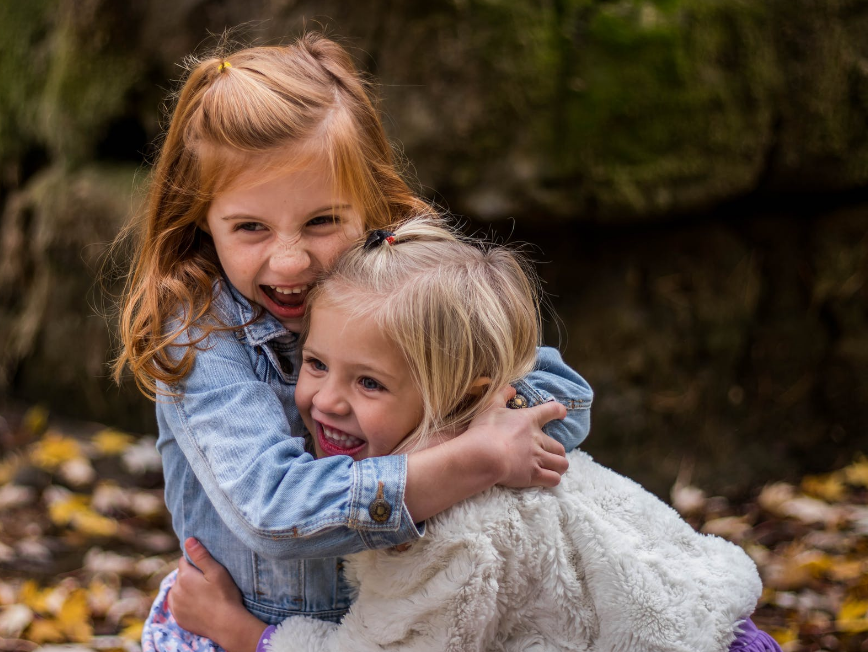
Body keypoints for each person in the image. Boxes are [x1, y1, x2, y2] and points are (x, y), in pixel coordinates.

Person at [112, 34, 594, 652]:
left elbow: (563, 398)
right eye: (250, 228)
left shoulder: (400, 287)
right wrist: (471, 459)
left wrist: (453, 434)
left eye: (321, 221)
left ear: (369, 204)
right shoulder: (201, 335)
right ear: (201, 218)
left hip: (399, 628)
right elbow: (276, 510)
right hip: (248, 630)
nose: (289, 262)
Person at [169, 217, 781, 652]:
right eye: (317, 363)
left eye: (370, 384)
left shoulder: (459, 530)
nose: (327, 400)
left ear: (462, 396)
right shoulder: (497, 436)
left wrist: (242, 633)